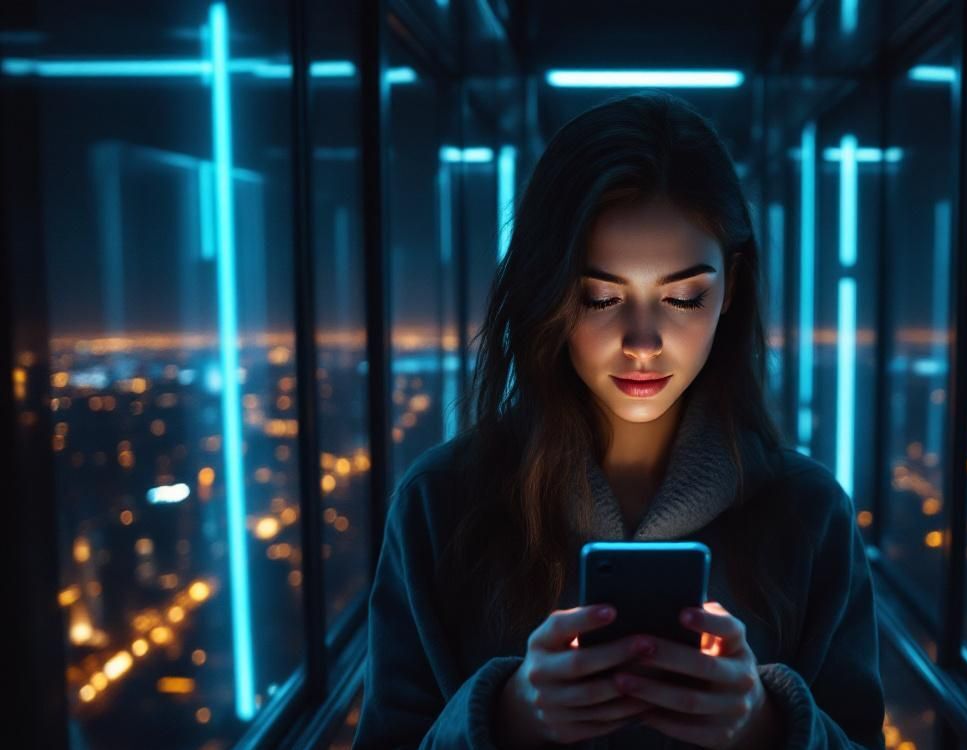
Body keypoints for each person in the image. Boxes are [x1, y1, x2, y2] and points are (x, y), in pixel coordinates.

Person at [353, 90, 885, 749]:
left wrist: (766, 726)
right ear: (546, 294)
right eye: (600, 297)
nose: (642, 341)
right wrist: (506, 718)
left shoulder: (810, 514)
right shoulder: (442, 503)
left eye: (684, 297)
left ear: (733, 290)